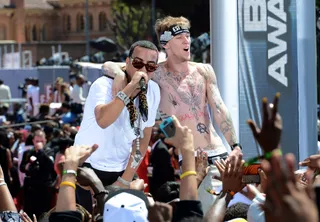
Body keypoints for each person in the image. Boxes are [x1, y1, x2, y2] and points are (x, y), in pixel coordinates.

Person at [102, 16, 242, 212]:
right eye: (180, 37)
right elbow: (108, 65)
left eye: (188, 35)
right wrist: (119, 73)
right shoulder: (156, 73)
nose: (187, 41)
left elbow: (219, 108)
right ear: (166, 44)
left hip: (219, 155)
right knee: (203, 214)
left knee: (230, 213)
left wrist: (235, 145)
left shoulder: (204, 71)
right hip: (191, 160)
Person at [74, 40, 161, 188]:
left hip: (120, 169)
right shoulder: (103, 84)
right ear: (127, 62)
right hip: (89, 165)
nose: (143, 70)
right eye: (138, 63)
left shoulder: (153, 90)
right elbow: (103, 120)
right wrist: (130, 87)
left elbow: (144, 137)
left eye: (150, 66)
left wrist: (125, 180)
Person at [20, 130, 57, 218]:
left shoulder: (50, 152)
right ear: (33, 141)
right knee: (29, 213)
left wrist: (40, 151)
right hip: (30, 188)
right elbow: (22, 167)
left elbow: (51, 166)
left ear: (45, 140)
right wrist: (27, 166)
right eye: (37, 141)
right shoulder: (28, 152)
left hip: (44, 188)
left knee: (43, 214)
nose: (39, 143)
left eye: (41, 141)